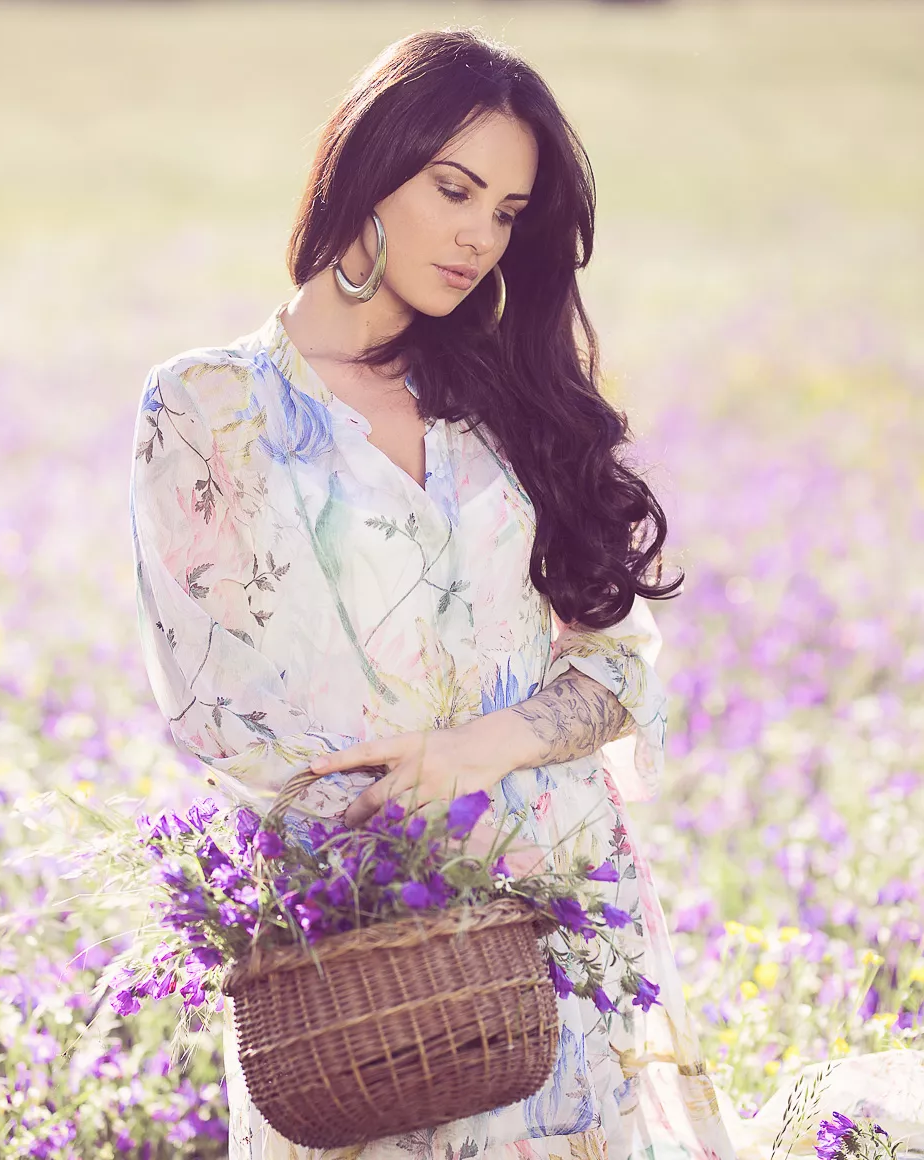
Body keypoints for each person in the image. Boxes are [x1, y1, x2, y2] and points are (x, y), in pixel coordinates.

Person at [127, 25, 924, 1160]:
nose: (476, 235)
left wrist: (480, 749)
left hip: (568, 927)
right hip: (371, 953)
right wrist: (412, 857)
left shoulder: (510, 399)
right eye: (454, 189)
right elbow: (219, 709)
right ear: (367, 167)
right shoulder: (207, 404)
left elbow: (613, 659)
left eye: (505, 212)